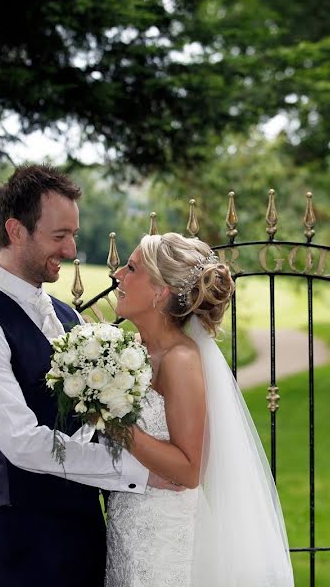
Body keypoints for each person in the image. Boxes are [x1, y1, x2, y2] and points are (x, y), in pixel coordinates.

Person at [0, 165, 174, 587]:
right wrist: (138, 471)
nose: (70, 250)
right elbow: (23, 443)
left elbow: (89, 421)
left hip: (84, 524)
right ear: (15, 230)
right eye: (58, 236)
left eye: (74, 235)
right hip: (26, 537)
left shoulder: (66, 314)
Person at [106, 232, 294, 586]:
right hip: (129, 529)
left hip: (163, 539)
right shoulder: (135, 352)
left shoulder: (180, 359)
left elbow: (190, 470)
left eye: (131, 268)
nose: (118, 276)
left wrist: (116, 426)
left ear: (160, 292)